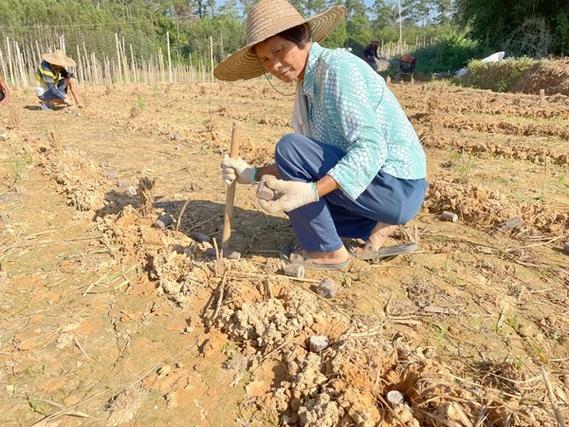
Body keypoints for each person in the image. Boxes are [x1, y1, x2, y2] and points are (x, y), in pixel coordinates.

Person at [215, 0, 427, 271]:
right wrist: (252, 174)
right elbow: (312, 165)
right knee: (282, 196)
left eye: (279, 51)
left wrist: (313, 191)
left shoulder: (336, 70)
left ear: (302, 35)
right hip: (384, 190)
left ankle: (330, 254)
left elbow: (370, 150)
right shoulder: (309, 84)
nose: (275, 65)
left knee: (290, 148)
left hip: (396, 185)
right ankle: (372, 226)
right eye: (266, 59)